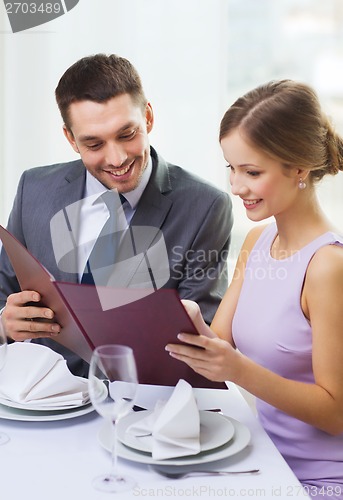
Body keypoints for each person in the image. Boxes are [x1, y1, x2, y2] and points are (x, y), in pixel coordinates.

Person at [0, 53, 233, 376]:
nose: (117, 158)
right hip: (38, 402)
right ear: (70, 139)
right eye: (94, 144)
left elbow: (201, 336)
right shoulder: (33, 189)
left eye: (127, 135)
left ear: (148, 117)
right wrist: (4, 323)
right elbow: (3, 290)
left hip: (142, 409)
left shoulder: (205, 207)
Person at [166, 80, 343, 499]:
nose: (235, 185)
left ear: (299, 168)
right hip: (257, 457)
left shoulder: (328, 267)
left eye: (252, 172)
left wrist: (239, 371)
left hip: (316, 479)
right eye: (231, 167)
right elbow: (219, 343)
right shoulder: (257, 241)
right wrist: (181, 320)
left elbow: (336, 412)